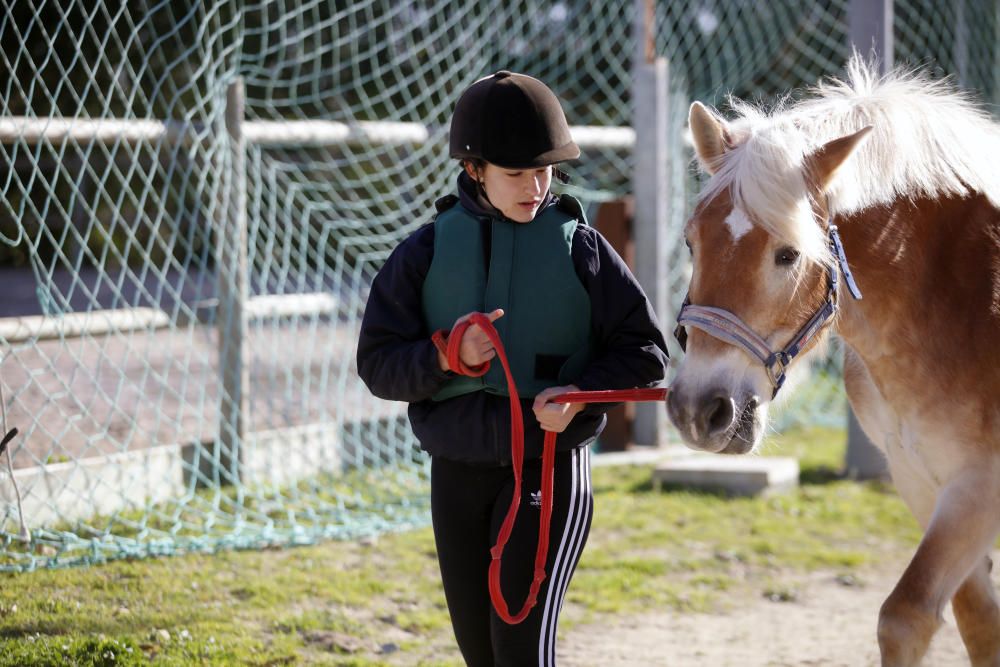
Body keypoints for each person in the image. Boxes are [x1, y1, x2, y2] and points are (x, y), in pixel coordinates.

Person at [356, 70, 669, 667]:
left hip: (548, 470)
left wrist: (581, 394)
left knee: (520, 651)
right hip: (456, 474)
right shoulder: (424, 250)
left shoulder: (583, 247)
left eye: (544, 170)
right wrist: (445, 356)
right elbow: (376, 363)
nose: (535, 186)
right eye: (516, 173)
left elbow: (646, 352)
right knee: (480, 654)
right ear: (474, 169)